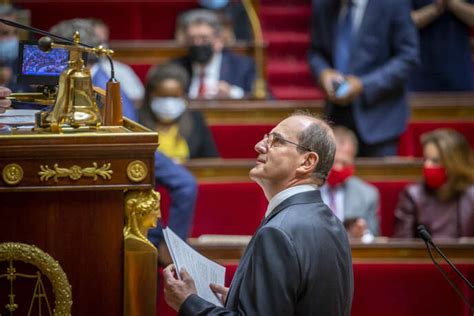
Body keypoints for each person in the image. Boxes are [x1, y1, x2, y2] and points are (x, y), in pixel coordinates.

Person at [163, 112, 353, 315]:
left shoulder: (278, 232)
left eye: (277, 141)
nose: (259, 146)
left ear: (306, 162)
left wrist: (189, 303)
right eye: (266, 138)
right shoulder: (331, 221)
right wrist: (239, 297)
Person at [308, 0, 419, 157]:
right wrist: (324, 73)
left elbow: (407, 58)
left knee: (377, 180)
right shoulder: (323, 4)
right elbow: (316, 52)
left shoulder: (393, 3)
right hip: (336, 115)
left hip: (379, 118)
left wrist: (364, 85)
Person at [49, 18, 141, 120]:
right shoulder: (92, 78)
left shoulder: (102, 89)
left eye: (56, 51)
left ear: (73, 52)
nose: (53, 59)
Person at [393, 129, 474, 238]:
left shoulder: (471, 195)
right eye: (425, 159)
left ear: (455, 164)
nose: (427, 166)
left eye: (435, 161)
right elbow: (403, 247)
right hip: (423, 255)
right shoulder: (413, 195)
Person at [138, 62, 218, 162]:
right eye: (162, 96)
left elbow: (212, 161)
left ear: (184, 96)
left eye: (174, 96)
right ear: (150, 96)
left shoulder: (196, 121)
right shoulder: (136, 123)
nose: (168, 103)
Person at [173, 9, 255, 99]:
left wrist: (233, 94)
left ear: (218, 40)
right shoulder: (176, 67)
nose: (197, 43)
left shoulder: (242, 66)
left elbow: (266, 100)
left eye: (204, 38)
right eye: (192, 39)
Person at [320, 126, 380, 240]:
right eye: (335, 161)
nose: (338, 167)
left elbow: (373, 237)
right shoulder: (308, 187)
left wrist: (362, 234)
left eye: (345, 163)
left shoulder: (367, 194)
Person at [409, 0, 474, 91]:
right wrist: (436, 9)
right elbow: (403, 24)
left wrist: (451, 3)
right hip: (420, 72)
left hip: (460, 72)